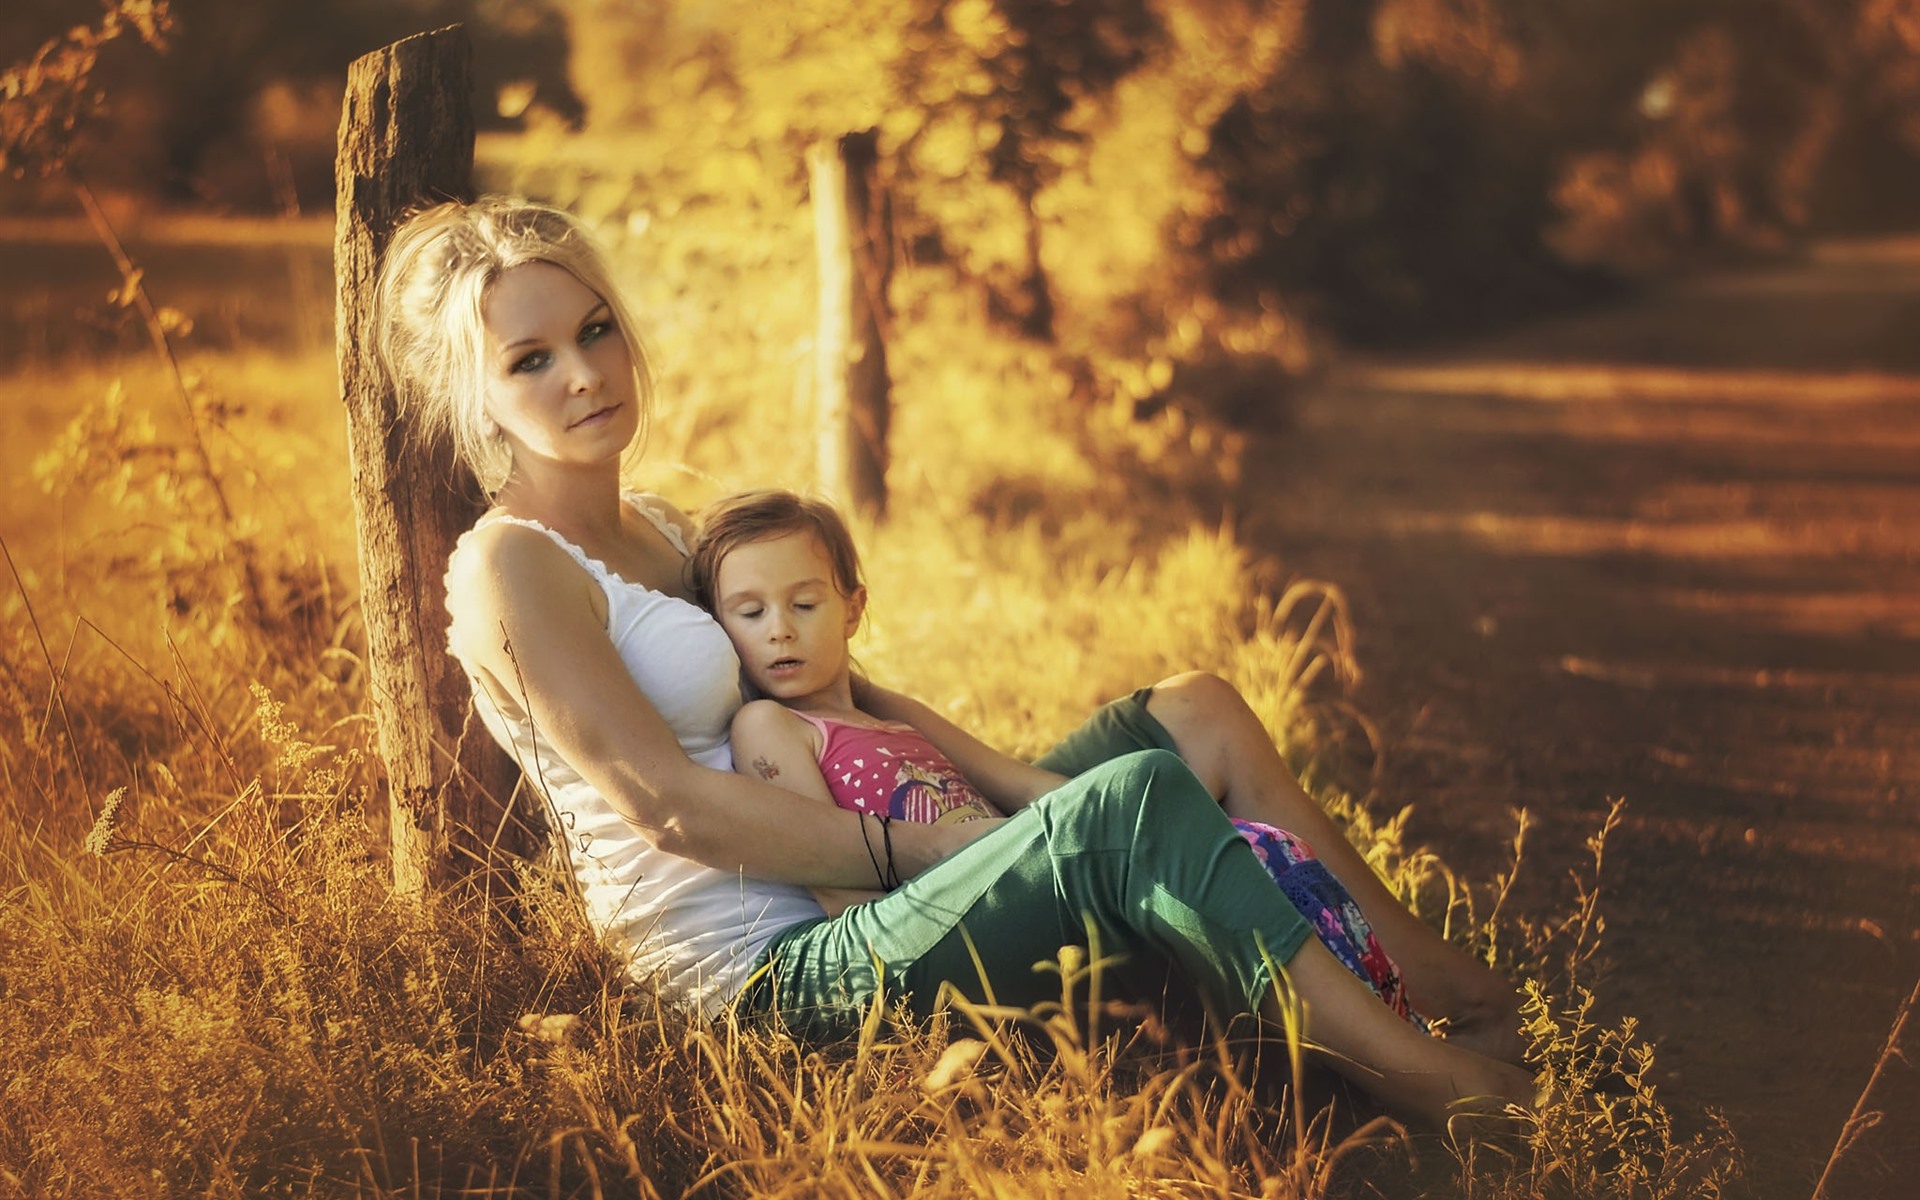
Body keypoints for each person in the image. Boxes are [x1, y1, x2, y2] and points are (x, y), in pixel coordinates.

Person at [374, 194, 1535, 1132]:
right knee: (1130, 808)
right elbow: (671, 811)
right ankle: (1431, 1088)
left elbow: (837, 693)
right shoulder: (508, 571)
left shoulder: (670, 530)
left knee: (1195, 715)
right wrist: (941, 843)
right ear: (472, 397)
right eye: (528, 360)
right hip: (773, 978)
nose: (582, 375)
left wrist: (995, 790)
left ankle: (1447, 991)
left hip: (875, 885)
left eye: (594, 331)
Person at [687, 487, 1427, 1027]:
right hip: (951, 922)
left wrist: (1174, 829)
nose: (778, 631)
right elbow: (847, 896)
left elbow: (1033, 788)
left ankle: (1368, 1011)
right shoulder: (771, 729)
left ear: (853, 608)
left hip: (1021, 876)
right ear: (722, 628)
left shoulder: (888, 713)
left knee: (1227, 838)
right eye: (749, 613)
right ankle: (1376, 1045)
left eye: (804, 605)